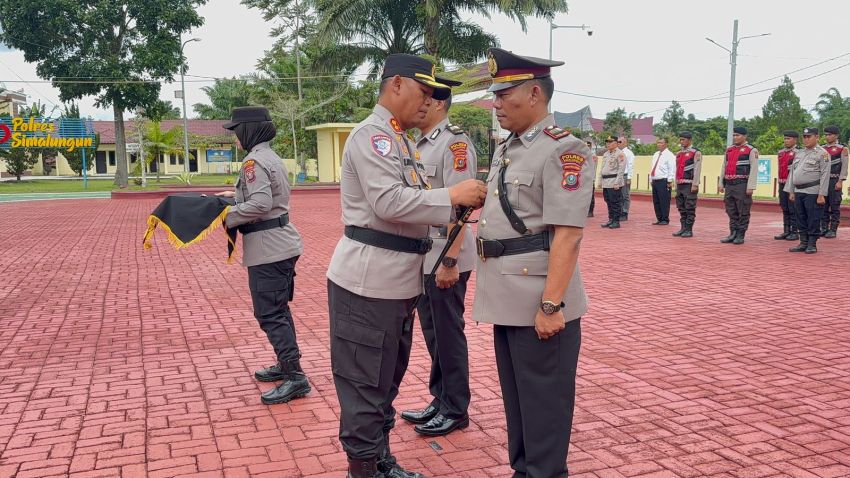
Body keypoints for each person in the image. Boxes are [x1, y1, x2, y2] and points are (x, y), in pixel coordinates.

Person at [325, 54, 486, 478]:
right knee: (364, 384)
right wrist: (452, 196)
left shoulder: (398, 139)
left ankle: (379, 458)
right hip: (368, 282)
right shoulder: (372, 136)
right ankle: (364, 469)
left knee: (385, 380)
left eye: (434, 94)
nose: (430, 100)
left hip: (395, 282)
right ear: (396, 85)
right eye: (424, 90)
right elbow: (388, 203)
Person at [473, 47, 593, 478]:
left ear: (536, 94)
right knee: (520, 407)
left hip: (539, 299)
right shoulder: (513, 147)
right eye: (495, 94)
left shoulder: (564, 150)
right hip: (508, 296)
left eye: (505, 94)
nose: (497, 103)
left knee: (543, 410)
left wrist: (551, 305)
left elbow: (569, 234)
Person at [216, 106, 311, 405]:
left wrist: (226, 215)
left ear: (249, 130)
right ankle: (287, 365)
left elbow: (259, 204)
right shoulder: (269, 156)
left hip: (269, 249)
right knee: (278, 309)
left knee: (269, 313)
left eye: (236, 131)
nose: (234, 138)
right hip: (279, 244)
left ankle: (295, 377)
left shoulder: (253, 161)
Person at [400, 77, 475, 437]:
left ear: (440, 104)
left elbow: (464, 205)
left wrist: (450, 260)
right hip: (425, 254)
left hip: (446, 254)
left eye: (426, 99)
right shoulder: (418, 144)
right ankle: (440, 399)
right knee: (434, 333)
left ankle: (456, 408)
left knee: (448, 333)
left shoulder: (454, 143)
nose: (420, 104)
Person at [785, 127, 830, 254]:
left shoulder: (823, 154)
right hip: (799, 191)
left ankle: (812, 243)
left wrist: (822, 194)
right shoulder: (799, 153)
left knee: (813, 218)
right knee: (800, 217)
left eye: (809, 136)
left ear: (817, 137)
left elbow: (825, 175)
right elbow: (793, 173)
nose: (806, 139)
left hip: (813, 191)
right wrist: (791, 191)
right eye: (804, 137)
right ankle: (803, 242)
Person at [719, 127, 759, 245]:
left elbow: (754, 169)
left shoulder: (750, 150)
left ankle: (741, 234)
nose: (735, 137)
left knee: (743, 210)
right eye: (734, 135)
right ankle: (733, 233)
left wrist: (750, 186)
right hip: (730, 185)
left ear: (745, 136)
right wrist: (721, 183)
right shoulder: (729, 150)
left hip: (742, 184)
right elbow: (724, 167)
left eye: (738, 135)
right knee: (730, 209)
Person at [672, 132, 702, 238]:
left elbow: (697, 169)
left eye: (683, 139)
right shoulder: (679, 153)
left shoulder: (695, 152)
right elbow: (677, 169)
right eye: (680, 139)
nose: (681, 142)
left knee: (690, 207)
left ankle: (689, 229)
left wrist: (695, 184)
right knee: (681, 207)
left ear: (689, 140)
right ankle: (683, 228)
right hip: (680, 184)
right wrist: (676, 183)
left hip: (689, 184)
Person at [820, 126, 848, 238]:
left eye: (830, 135)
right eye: (826, 135)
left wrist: (840, 180)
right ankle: (824, 228)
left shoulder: (842, 149)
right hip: (823, 181)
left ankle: (833, 229)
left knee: (834, 205)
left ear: (836, 136)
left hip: (834, 180)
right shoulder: (822, 149)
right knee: (823, 205)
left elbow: (844, 167)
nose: (827, 137)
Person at [775, 131, 800, 241]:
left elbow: (797, 171)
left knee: (793, 208)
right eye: (785, 138)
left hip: (792, 184)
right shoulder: (781, 152)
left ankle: (794, 231)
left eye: (789, 138)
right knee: (784, 207)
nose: (786, 141)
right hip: (782, 183)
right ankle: (786, 231)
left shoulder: (799, 152)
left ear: (795, 140)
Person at [599, 136, 626, 229]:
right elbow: (602, 168)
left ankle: (616, 221)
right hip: (606, 181)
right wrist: (600, 181)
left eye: (610, 142)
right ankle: (611, 219)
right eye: (607, 142)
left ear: (616, 143)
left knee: (615, 202)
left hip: (614, 181)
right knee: (608, 201)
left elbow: (621, 169)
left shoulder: (620, 154)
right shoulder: (606, 153)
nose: (608, 144)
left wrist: (617, 182)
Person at [648, 138, 675, 225]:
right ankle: (659, 218)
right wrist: (651, 179)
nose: (659, 144)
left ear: (666, 144)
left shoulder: (669, 155)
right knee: (656, 201)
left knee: (664, 200)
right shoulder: (656, 154)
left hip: (664, 181)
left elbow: (672, 169)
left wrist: (670, 180)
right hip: (655, 180)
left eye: (661, 143)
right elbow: (652, 167)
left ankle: (665, 219)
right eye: (658, 142)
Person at [618, 136, 635, 221]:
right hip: (618, 176)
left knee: (625, 195)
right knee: (618, 195)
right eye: (618, 142)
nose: (618, 143)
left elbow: (630, 166)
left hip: (625, 175)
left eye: (620, 142)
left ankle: (624, 212)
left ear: (625, 143)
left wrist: (629, 178)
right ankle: (620, 211)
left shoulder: (629, 153)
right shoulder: (617, 152)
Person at [587, 140, 598, 217]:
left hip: (590, 178)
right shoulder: (581, 154)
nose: (586, 147)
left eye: (588, 145)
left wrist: (592, 179)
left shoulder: (593, 156)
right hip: (582, 179)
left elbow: (593, 168)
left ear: (590, 147)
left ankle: (590, 211)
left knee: (590, 196)